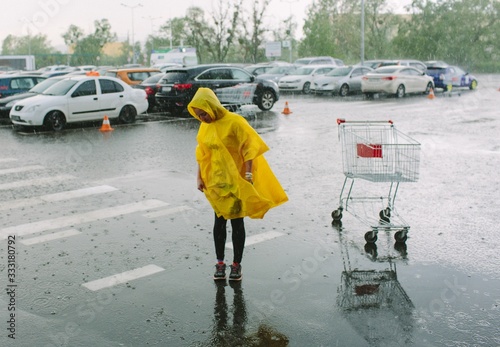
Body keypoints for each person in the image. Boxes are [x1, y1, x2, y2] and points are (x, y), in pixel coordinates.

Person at [187, 88, 288, 281]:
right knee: (219, 222)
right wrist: (199, 177)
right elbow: (202, 153)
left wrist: (248, 173)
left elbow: (249, 147)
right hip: (216, 182)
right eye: (199, 116)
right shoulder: (205, 126)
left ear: (211, 106)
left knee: (236, 222)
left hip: (236, 180)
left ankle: (236, 265)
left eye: (204, 113)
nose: (202, 118)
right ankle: (220, 263)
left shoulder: (235, 122)